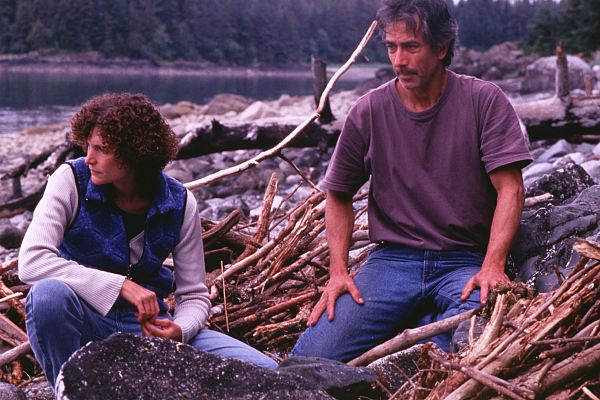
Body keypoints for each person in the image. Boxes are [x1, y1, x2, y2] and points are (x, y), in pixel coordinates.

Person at [291, 0, 532, 362]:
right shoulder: (368, 111)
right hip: (392, 262)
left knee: (480, 328)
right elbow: (338, 195)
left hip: (463, 261)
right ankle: (418, 331)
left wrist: (493, 265)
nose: (398, 60)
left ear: (441, 48)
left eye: (411, 47)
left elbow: (510, 188)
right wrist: (338, 272)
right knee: (311, 358)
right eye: (391, 47)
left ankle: (409, 352)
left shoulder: (483, 101)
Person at [19, 92, 277, 389]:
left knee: (268, 371)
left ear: (134, 153)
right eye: (88, 145)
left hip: (148, 332)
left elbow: (194, 295)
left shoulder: (179, 202)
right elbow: (32, 262)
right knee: (47, 296)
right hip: (87, 322)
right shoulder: (70, 181)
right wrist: (120, 286)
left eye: (101, 149)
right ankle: (68, 391)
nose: (88, 157)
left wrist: (179, 330)